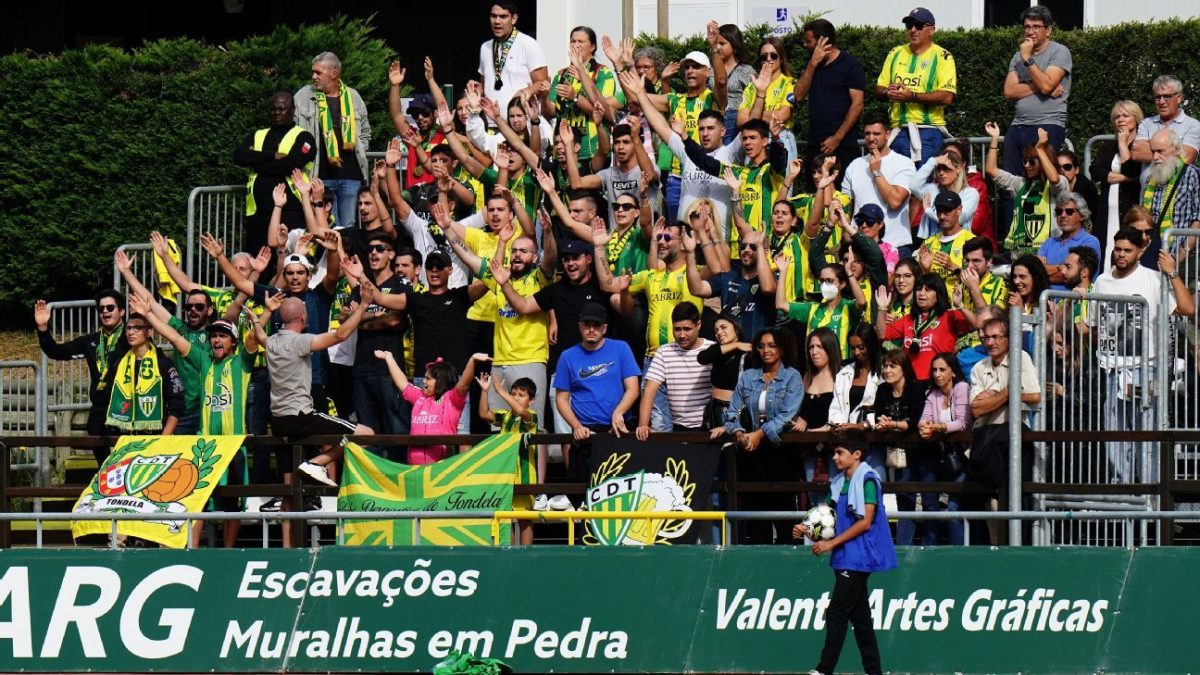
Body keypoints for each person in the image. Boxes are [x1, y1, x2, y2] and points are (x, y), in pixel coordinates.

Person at [130, 294, 262, 549]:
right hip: (206, 449)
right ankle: (192, 552)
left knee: (233, 505)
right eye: (214, 336)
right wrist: (148, 315)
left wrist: (262, 317)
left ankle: (228, 552)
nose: (216, 340)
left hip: (234, 447)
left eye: (223, 336)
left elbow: (254, 339)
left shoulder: (242, 363)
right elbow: (174, 337)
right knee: (199, 502)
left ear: (234, 342)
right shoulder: (204, 361)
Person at [1092, 228, 1194, 483]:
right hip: (1111, 370)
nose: (1121, 254)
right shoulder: (1102, 281)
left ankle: (1152, 495)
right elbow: (1094, 326)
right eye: (1117, 249)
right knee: (1115, 438)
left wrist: (1172, 272)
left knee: (1147, 437)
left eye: (1127, 250)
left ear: (1139, 252)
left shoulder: (1152, 279)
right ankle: (1122, 493)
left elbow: (1187, 308)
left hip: (1145, 370)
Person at [795, 432, 896, 675]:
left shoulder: (868, 480)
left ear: (857, 454)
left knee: (837, 612)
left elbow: (865, 522)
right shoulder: (840, 482)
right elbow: (826, 514)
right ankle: (874, 672)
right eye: (834, 452)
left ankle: (823, 670)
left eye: (840, 452)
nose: (835, 457)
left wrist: (831, 544)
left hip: (860, 556)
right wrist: (805, 528)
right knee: (861, 620)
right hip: (846, 556)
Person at [267, 284, 374, 490]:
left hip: (278, 420)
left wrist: (261, 316)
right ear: (303, 317)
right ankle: (316, 463)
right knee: (366, 434)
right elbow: (340, 335)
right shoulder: (300, 341)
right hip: (299, 417)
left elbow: (257, 337)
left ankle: (302, 486)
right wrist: (363, 306)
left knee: (290, 492)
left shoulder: (271, 342)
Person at [723, 327, 804, 544]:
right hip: (751, 453)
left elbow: (788, 414)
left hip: (781, 453)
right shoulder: (748, 377)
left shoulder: (792, 376)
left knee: (785, 517)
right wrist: (739, 433)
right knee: (756, 520)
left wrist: (760, 433)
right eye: (761, 346)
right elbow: (731, 413)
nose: (765, 350)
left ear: (782, 348)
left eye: (771, 345)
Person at [998, 5, 1072, 236]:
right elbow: (1009, 91)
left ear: (1048, 30)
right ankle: (1013, 238)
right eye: (1027, 26)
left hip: (1046, 125)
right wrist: (1039, 85)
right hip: (1017, 126)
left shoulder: (1059, 52)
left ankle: (1042, 238)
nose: (1030, 31)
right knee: (1011, 186)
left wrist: (1028, 60)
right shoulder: (1016, 56)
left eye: (1036, 27)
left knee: (1042, 184)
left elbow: (1049, 85)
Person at [969, 316, 1041, 543]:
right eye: (986, 338)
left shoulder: (1021, 358)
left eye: (996, 337)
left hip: (1013, 438)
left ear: (1009, 338)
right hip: (987, 440)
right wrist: (1010, 392)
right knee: (987, 497)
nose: (990, 342)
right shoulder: (979, 368)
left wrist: (995, 396)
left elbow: (1034, 395)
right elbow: (977, 408)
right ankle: (993, 547)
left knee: (1016, 495)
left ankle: (1018, 545)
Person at [34, 291, 125, 463]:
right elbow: (56, 352)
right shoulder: (90, 341)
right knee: (96, 437)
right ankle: (106, 473)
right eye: (101, 309)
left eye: (110, 307)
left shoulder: (132, 337)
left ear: (121, 311)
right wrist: (43, 329)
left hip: (126, 405)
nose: (105, 312)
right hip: (101, 407)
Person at [554, 303, 642, 480]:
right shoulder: (567, 356)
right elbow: (561, 398)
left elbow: (633, 388)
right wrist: (576, 426)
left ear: (605, 328)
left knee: (620, 487)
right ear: (580, 326)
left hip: (617, 429)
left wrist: (618, 412)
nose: (591, 329)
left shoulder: (621, 348)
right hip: (585, 432)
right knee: (581, 488)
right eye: (587, 324)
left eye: (596, 325)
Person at [233, 92, 317, 256]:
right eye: (273, 109)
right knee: (257, 261)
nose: (277, 113)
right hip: (258, 212)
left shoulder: (304, 137)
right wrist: (271, 156)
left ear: (292, 110)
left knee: (288, 260)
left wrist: (256, 163)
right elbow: (238, 156)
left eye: (281, 109)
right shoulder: (258, 135)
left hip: (290, 210)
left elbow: (289, 165)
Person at [295, 52, 371, 230]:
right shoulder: (303, 96)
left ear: (334, 73)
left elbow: (365, 132)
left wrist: (361, 149)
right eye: (313, 72)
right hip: (320, 177)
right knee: (326, 228)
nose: (314, 76)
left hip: (351, 176)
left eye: (318, 72)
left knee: (348, 228)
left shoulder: (353, 96)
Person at [876, 7, 957, 162]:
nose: (913, 30)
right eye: (909, 25)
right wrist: (888, 93)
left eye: (918, 26)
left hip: (927, 130)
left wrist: (912, 96)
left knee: (923, 178)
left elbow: (947, 97)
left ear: (932, 30)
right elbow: (879, 88)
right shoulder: (895, 53)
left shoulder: (943, 56)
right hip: (897, 131)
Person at [376, 350, 485, 465]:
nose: (424, 381)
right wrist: (389, 358)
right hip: (415, 469)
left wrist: (472, 361)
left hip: (441, 468)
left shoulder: (452, 399)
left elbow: (464, 385)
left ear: (440, 381)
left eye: (428, 379)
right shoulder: (419, 397)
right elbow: (401, 382)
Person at [793, 19, 865, 190]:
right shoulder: (811, 65)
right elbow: (798, 95)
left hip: (843, 146)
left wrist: (837, 138)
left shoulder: (850, 65)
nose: (804, 45)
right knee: (815, 197)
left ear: (823, 41)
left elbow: (857, 105)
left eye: (808, 41)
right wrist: (812, 64)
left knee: (841, 198)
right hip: (815, 146)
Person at [985, 123, 1068, 258]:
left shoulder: (1059, 183)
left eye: (1032, 161)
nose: (1027, 165)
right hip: (1020, 254)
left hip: (1047, 255)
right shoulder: (1021, 184)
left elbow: (1054, 179)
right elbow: (991, 170)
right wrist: (995, 139)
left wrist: (1040, 148)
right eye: (1024, 161)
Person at [477, 370, 545, 534]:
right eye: (513, 393)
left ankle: (525, 551)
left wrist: (501, 391)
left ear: (531, 401)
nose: (515, 397)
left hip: (525, 475)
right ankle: (510, 549)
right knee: (506, 519)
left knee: (525, 519)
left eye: (521, 395)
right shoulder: (504, 416)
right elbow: (483, 413)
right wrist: (485, 391)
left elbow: (521, 412)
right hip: (505, 474)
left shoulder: (532, 416)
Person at [916, 351, 973, 546]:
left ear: (953, 371)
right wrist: (925, 427)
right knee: (929, 504)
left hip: (961, 456)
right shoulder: (933, 393)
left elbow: (963, 423)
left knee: (954, 506)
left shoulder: (962, 387)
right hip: (938, 455)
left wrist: (938, 427)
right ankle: (929, 548)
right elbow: (924, 419)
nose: (937, 374)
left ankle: (958, 552)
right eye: (934, 370)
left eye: (942, 369)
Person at [98, 312, 185, 437]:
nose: (131, 332)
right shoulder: (119, 364)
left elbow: (177, 404)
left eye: (137, 328)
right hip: (126, 437)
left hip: (157, 436)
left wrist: (163, 438)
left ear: (148, 332)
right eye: (128, 328)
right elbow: (108, 399)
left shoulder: (163, 363)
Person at [876, 273, 974, 384]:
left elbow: (976, 324)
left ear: (938, 295)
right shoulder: (908, 319)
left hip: (937, 383)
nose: (921, 293)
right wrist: (882, 308)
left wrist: (960, 306)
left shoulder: (949, 316)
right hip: (912, 383)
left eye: (928, 290)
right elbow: (881, 334)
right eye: (918, 289)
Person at [842, 111, 916, 255]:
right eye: (867, 134)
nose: (871, 138)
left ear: (888, 134)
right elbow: (846, 206)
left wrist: (876, 172)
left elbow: (895, 201)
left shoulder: (904, 164)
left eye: (876, 134)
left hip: (895, 246)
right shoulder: (854, 165)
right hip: (861, 247)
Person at [546, 26, 622, 166]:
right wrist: (544, 95)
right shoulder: (561, 74)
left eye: (581, 41)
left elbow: (602, 111)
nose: (576, 45)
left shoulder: (602, 73)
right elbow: (550, 112)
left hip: (593, 149)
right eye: (573, 41)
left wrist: (575, 97)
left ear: (592, 47)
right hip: (563, 150)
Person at [637, 303, 714, 437]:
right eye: (677, 329)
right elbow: (649, 390)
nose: (682, 335)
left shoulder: (712, 349)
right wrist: (643, 424)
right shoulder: (664, 351)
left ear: (698, 325)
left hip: (708, 428)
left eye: (687, 329)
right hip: (677, 429)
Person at [688, 229, 775, 339]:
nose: (746, 250)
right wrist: (689, 253)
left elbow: (768, 288)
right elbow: (697, 289)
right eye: (743, 246)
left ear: (765, 252)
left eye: (753, 247)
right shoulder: (728, 277)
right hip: (730, 348)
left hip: (757, 348)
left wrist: (760, 248)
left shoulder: (770, 279)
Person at [778, 258, 866, 359]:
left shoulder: (848, 307)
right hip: (815, 365)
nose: (824, 284)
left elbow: (861, 302)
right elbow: (781, 304)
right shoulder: (812, 308)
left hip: (841, 366)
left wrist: (849, 273)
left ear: (842, 284)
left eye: (829, 281)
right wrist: (783, 272)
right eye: (822, 280)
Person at [828, 324, 885, 471]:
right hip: (845, 443)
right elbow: (837, 405)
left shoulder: (884, 371)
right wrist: (838, 424)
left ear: (871, 344)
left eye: (861, 347)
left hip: (872, 441)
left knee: (874, 479)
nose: (857, 352)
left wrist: (861, 425)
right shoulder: (844, 372)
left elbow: (883, 407)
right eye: (853, 348)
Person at [1090, 100, 1145, 251]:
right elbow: (1095, 171)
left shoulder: (1142, 146)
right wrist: (1126, 179)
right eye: (1117, 117)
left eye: (1125, 116)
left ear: (1136, 118)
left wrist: (1122, 144)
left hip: (1130, 206)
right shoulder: (1108, 146)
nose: (1120, 120)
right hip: (1107, 209)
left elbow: (1132, 171)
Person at [1141, 128, 1200, 265]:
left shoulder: (1193, 175)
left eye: (1160, 151)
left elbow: (1197, 222)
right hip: (1153, 254)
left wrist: (1178, 258)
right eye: (1153, 151)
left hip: (1182, 259)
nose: (1155, 157)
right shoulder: (1151, 177)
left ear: (1177, 150)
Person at [479, 1, 549, 113]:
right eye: (493, 16)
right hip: (491, 120)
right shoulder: (485, 47)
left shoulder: (529, 44)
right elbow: (484, 85)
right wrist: (475, 89)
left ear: (514, 19)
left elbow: (543, 83)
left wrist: (527, 92)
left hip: (520, 120)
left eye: (503, 16)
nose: (497, 21)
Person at [1131, 75, 1200, 176]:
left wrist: (1150, 148)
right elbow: (1137, 153)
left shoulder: (1193, 125)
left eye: (1167, 96)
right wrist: (1172, 152)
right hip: (1146, 186)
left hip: (1178, 185)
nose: (1162, 102)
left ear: (1179, 98)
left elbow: (1185, 158)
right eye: (1158, 97)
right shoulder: (1146, 123)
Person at [917, 190, 976, 299]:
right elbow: (920, 284)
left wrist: (952, 267)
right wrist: (925, 270)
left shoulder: (971, 241)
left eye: (947, 211)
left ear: (959, 210)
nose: (942, 216)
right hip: (934, 305)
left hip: (961, 304)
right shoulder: (928, 243)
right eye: (939, 212)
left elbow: (978, 280)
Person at [699, 313, 752, 432]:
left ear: (736, 328)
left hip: (736, 411)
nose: (719, 332)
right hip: (715, 410)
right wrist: (736, 345)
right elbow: (702, 358)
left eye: (723, 327)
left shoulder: (748, 353)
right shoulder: (717, 350)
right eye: (716, 330)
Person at [909, 150, 979, 240]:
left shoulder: (970, 193)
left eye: (946, 169)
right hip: (932, 244)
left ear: (958, 169)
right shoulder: (933, 190)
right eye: (938, 169)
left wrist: (929, 211)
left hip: (958, 244)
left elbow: (958, 219)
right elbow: (913, 186)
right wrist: (933, 161)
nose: (941, 173)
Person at [1038, 193, 1102, 290]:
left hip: (1074, 299)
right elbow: (1033, 272)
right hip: (1046, 299)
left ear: (1082, 215)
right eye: (1059, 211)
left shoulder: (1090, 241)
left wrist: (1044, 272)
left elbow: (1077, 277)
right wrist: (1059, 267)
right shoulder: (1049, 243)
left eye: (1069, 211)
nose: (1063, 215)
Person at [706, 21, 753, 144]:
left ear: (734, 46)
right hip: (713, 119)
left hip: (736, 121)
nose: (718, 47)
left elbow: (753, 99)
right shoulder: (710, 70)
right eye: (716, 43)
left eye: (722, 43)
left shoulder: (746, 70)